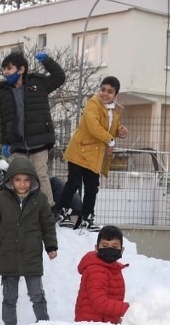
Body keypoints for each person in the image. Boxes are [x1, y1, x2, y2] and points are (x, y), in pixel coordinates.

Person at [0, 155, 58, 325]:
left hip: (31, 255)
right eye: (17, 180)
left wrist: (51, 246)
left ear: (32, 180)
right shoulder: (0, 200)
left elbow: (48, 225)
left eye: (26, 180)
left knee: (37, 294)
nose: (22, 184)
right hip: (8, 254)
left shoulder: (39, 200)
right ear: (10, 180)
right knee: (9, 297)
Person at [55, 76, 129, 232]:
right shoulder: (93, 104)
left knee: (92, 187)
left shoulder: (114, 111)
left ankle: (87, 218)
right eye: (103, 89)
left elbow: (110, 128)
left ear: (116, 95)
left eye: (110, 91)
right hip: (80, 150)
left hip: (95, 155)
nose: (105, 94)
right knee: (74, 182)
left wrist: (119, 131)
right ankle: (62, 212)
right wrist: (110, 140)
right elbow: (93, 126)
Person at [0, 50, 65, 203]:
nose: (5, 72)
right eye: (4, 69)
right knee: (17, 178)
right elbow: (3, 120)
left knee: (40, 175)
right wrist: (5, 141)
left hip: (39, 140)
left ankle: (48, 208)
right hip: (17, 144)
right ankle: (18, 208)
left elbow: (59, 77)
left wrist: (47, 61)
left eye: (9, 68)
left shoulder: (38, 83)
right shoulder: (2, 93)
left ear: (21, 69)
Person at [74, 225, 129, 325]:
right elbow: (100, 302)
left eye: (114, 247)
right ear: (96, 248)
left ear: (122, 250)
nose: (109, 249)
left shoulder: (113, 268)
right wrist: (129, 310)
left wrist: (115, 319)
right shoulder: (96, 269)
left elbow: (111, 298)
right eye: (105, 246)